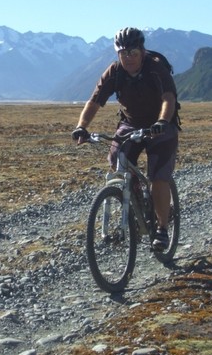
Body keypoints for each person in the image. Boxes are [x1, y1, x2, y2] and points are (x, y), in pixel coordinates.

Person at [72, 27, 179, 251]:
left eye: (133, 53)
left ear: (141, 51)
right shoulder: (115, 72)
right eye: (123, 53)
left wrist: (161, 122)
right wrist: (81, 126)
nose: (128, 58)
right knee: (116, 161)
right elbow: (95, 101)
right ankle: (135, 196)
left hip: (161, 124)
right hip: (130, 123)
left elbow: (169, 98)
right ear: (118, 54)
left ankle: (161, 228)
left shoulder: (155, 67)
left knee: (158, 176)